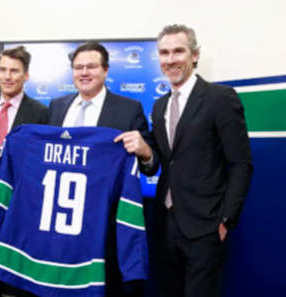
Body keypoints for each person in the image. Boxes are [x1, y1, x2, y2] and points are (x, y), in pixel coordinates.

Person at [142, 24, 253, 297]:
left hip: (205, 227)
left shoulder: (220, 98)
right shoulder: (159, 106)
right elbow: (159, 162)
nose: (170, 59)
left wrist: (226, 219)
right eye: (164, 53)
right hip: (165, 224)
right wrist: (144, 152)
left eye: (178, 51)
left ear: (194, 55)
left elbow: (241, 164)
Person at [48, 41, 153, 297]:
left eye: (91, 66)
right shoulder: (56, 107)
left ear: (105, 71)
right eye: (78, 67)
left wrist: (145, 152)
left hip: (105, 225)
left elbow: (151, 165)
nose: (84, 73)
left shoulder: (129, 109)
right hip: (61, 222)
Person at [0, 45, 48, 297]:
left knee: (16, 278)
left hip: (20, 206)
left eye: (14, 71)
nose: (7, 76)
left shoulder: (40, 112)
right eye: (3, 69)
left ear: (26, 76)